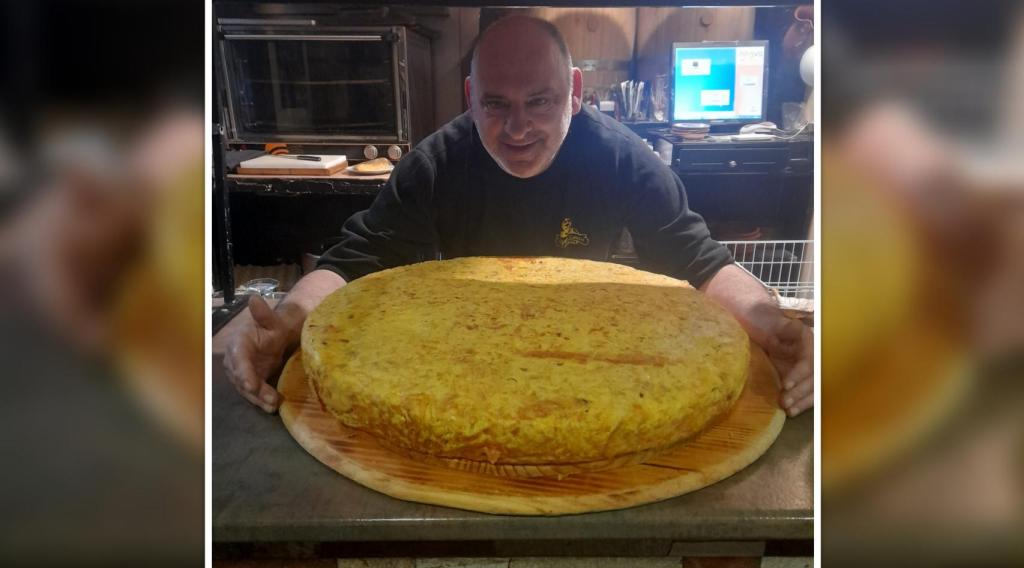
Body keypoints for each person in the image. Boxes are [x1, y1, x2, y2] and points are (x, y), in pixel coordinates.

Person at [224, 15, 814, 417]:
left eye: (541, 101)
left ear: (575, 91)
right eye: (495, 105)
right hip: (459, 370)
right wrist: (289, 317)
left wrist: (771, 324)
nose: (518, 128)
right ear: (469, 96)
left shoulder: (621, 158)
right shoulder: (433, 165)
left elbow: (700, 260)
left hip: (589, 370)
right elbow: (353, 260)